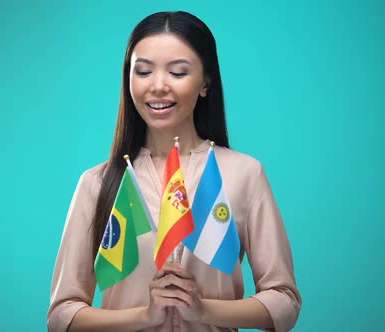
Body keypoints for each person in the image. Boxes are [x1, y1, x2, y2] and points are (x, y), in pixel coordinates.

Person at [47, 11, 301, 332]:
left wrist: (203, 309)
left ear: (205, 82)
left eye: (178, 72)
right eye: (143, 71)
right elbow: (61, 316)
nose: (158, 86)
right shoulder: (97, 184)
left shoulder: (243, 174)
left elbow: (285, 301)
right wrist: (144, 315)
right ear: (129, 81)